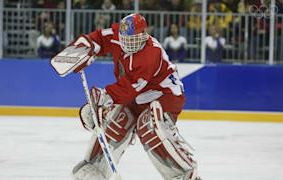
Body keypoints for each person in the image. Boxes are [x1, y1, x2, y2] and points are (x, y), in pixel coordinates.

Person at [71, 14, 201, 180]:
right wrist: (83, 49)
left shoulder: (149, 55)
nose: (126, 45)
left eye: (132, 40)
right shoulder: (119, 33)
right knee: (116, 123)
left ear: (144, 34)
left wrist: (104, 99)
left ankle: (185, 174)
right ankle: (94, 171)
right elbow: (100, 39)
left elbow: (128, 88)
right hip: (138, 95)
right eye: (124, 39)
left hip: (164, 96)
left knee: (149, 128)